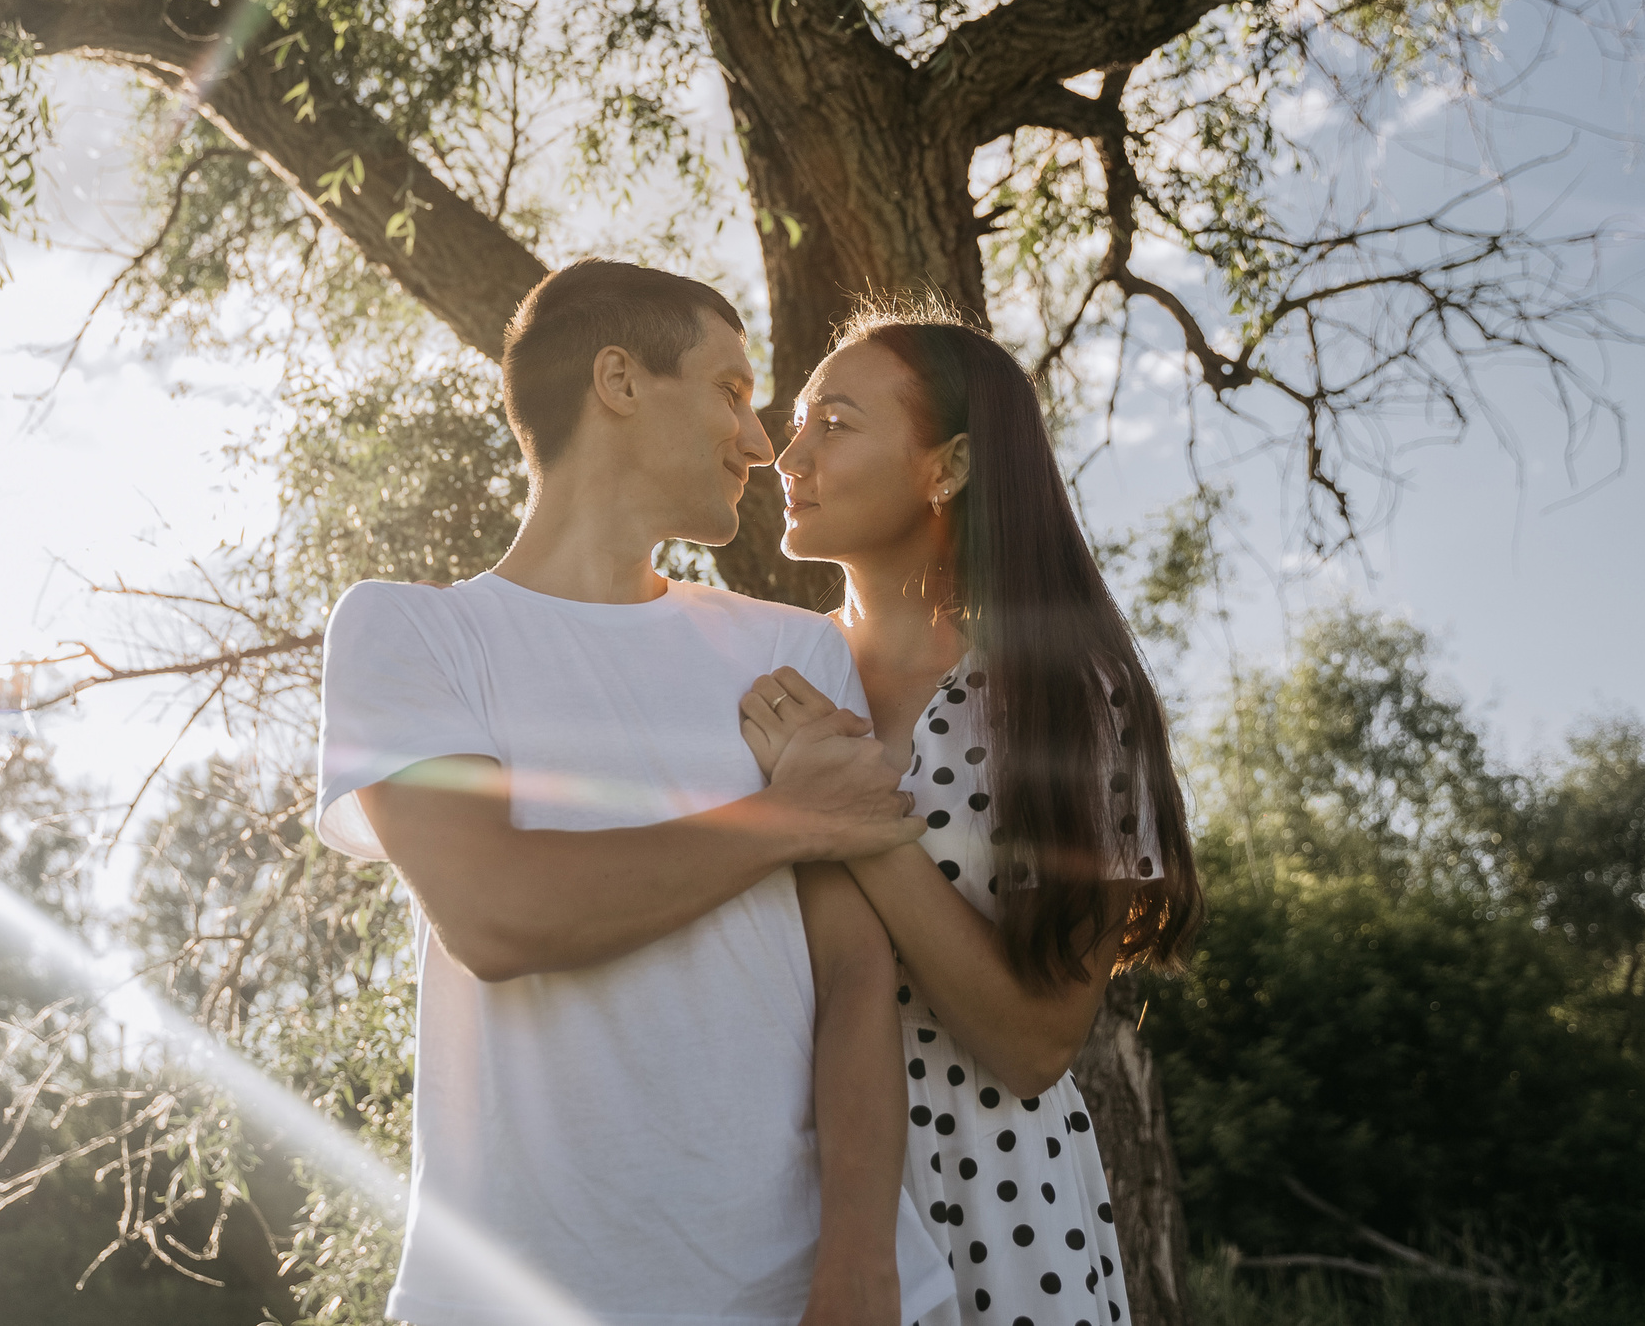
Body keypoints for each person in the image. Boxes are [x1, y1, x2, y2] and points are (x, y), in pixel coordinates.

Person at [314, 260, 960, 1326]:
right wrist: (788, 821)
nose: (760, 443)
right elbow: (501, 913)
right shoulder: (408, 631)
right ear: (618, 379)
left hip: (802, 1291)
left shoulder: (791, 652)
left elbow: (853, 977)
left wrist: (860, 1269)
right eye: (729, 389)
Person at [737, 306, 1205, 1326]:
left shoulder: (1064, 698)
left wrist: (862, 816)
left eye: (836, 423)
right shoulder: (764, 681)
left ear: (945, 468)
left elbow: (1036, 1042)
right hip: (766, 1203)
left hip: (993, 1216)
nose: (787, 452)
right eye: (798, 421)